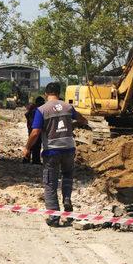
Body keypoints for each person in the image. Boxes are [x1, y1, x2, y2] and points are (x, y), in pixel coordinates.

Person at [23, 82, 87, 227]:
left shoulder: (42, 110)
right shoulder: (68, 107)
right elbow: (82, 119)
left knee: (50, 182)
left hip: (51, 151)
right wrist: (77, 123)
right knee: (68, 176)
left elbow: (35, 132)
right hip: (69, 149)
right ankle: (67, 199)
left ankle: (53, 217)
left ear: (46, 94)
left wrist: (27, 148)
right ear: (59, 93)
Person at [23, 96, 45, 165]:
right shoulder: (37, 110)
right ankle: (35, 160)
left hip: (30, 128)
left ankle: (26, 159)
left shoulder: (33, 109)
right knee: (36, 145)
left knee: (31, 144)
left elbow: (27, 115)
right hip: (35, 129)